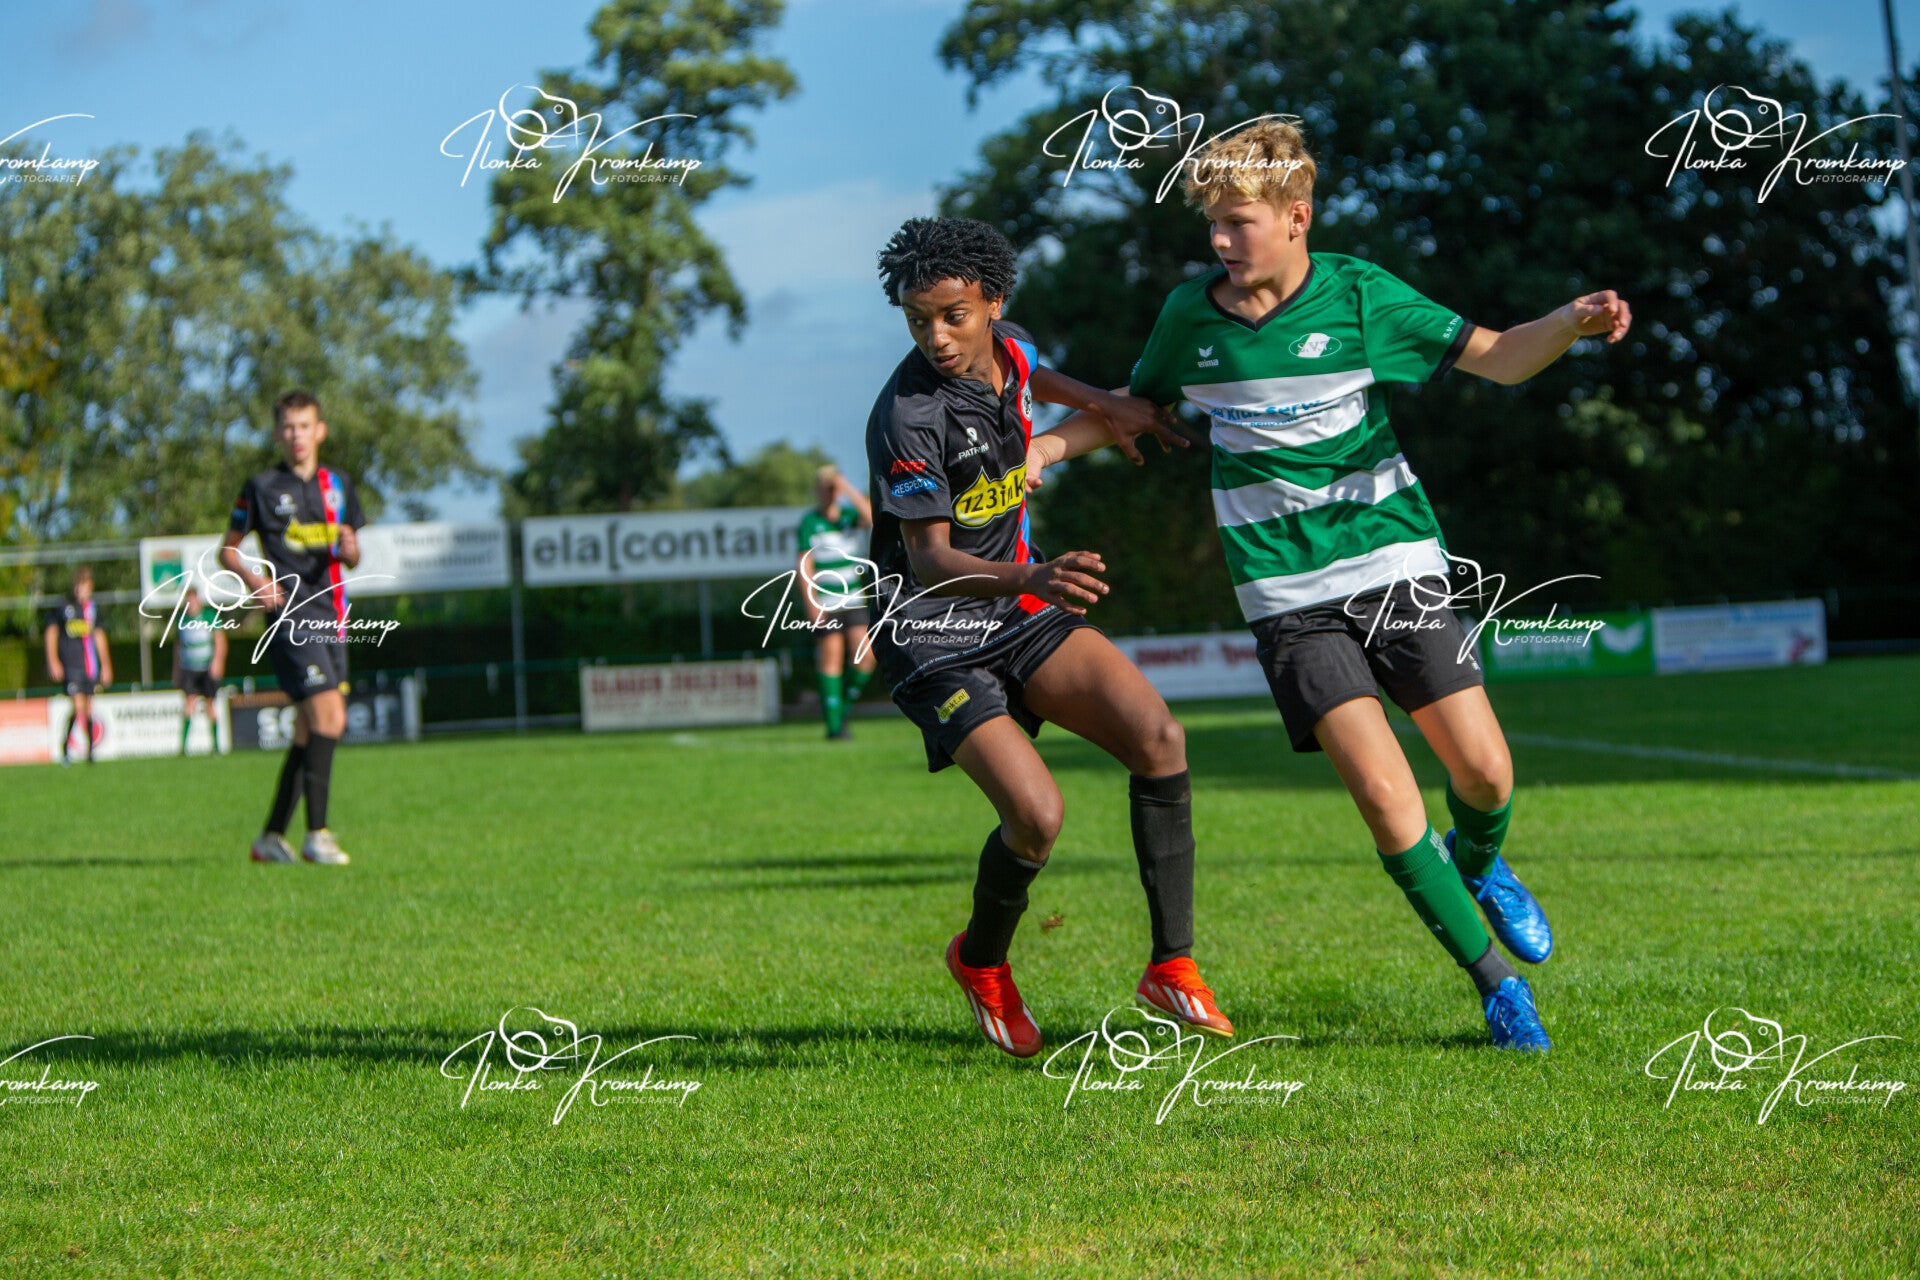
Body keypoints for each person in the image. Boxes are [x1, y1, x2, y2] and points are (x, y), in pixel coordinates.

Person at [1111, 118, 1633, 1051]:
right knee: (1389, 801)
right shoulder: (1189, 317)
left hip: (1398, 566)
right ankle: (1498, 986)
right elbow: (1133, 409)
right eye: (1212, 225)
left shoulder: (1360, 295)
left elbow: (1502, 358)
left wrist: (1570, 322)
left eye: (1238, 222)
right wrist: (1043, 450)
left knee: (1485, 772)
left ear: (1297, 216)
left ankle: (1480, 864)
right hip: (1285, 598)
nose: (1221, 241)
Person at [866, 216, 1230, 1060]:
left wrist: (1107, 403)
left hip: (1018, 609)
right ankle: (981, 962)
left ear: (993, 302)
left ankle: (1171, 966)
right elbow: (930, 563)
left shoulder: (1013, 346)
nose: (936, 336)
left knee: (1158, 737)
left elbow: (1036, 369)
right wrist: (1033, 575)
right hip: (932, 630)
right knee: (1036, 817)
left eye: (953, 315)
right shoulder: (908, 415)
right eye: (918, 320)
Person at [219, 389, 365, 866]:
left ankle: (270, 838)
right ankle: (317, 835)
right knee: (330, 718)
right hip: (290, 616)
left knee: (309, 729)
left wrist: (350, 550)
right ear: (277, 433)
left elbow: (352, 554)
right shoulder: (261, 487)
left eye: (304, 426)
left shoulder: (338, 485)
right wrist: (256, 581)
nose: (296, 435)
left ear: (320, 430)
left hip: (333, 615)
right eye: (287, 427)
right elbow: (228, 550)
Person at [797, 466, 877, 740]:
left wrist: (847, 488)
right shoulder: (810, 522)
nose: (829, 492)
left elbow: (873, 517)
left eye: (833, 487)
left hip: (853, 600)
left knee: (866, 656)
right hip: (827, 601)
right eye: (826, 487)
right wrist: (812, 603)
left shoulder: (849, 516)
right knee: (832, 658)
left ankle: (840, 711)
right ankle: (833, 728)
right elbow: (804, 564)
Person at [43, 564, 112, 766]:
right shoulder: (63, 607)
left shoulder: (93, 610)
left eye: (83, 585)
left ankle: (90, 753)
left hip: (90, 667)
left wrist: (106, 665)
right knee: (78, 706)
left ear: (90, 587)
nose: (79, 589)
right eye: (77, 585)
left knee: (88, 708)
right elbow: (51, 632)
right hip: (70, 666)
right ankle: (66, 746)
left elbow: (99, 637)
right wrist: (53, 660)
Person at [172, 585, 227, 755]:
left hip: (206, 668)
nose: (190, 603)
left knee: (210, 704)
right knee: (189, 703)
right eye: (187, 600)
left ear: (198, 600)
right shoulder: (182, 620)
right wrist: (176, 669)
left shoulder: (209, 616)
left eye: (193, 600)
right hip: (189, 668)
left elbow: (220, 641)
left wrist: (217, 662)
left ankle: (216, 746)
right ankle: (183, 748)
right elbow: (178, 646)